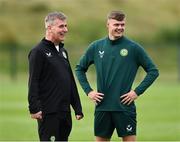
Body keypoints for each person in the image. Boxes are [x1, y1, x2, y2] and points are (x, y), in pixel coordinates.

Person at [75, 10, 159, 141]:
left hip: (124, 107)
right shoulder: (96, 47)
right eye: (116, 24)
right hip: (102, 107)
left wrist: (136, 92)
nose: (120, 28)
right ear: (108, 25)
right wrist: (89, 91)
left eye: (122, 24)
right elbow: (79, 69)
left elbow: (153, 71)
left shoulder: (133, 48)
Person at [28, 11, 83, 141]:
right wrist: (34, 108)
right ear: (49, 28)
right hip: (49, 112)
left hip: (64, 112)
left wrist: (77, 107)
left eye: (66, 26)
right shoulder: (38, 51)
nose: (66, 29)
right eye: (61, 26)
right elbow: (33, 81)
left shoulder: (63, 52)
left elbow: (69, 80)